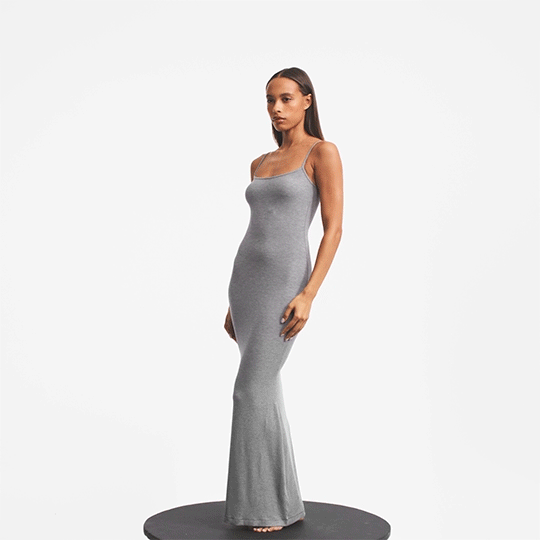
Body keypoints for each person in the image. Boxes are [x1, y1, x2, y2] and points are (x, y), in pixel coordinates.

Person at [223, 67, 343, 533]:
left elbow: (333, 228)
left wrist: (309, 292)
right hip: (245, 284)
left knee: (249, 390)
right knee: (264, 389)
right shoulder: (260, 162)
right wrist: (233, 303)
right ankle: (281, 504)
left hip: (285, 284)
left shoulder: (322, 153)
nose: (276, 107)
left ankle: (263, 508)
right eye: (270, 100)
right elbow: (257, 230)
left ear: (307, 101)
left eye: (286, 98)